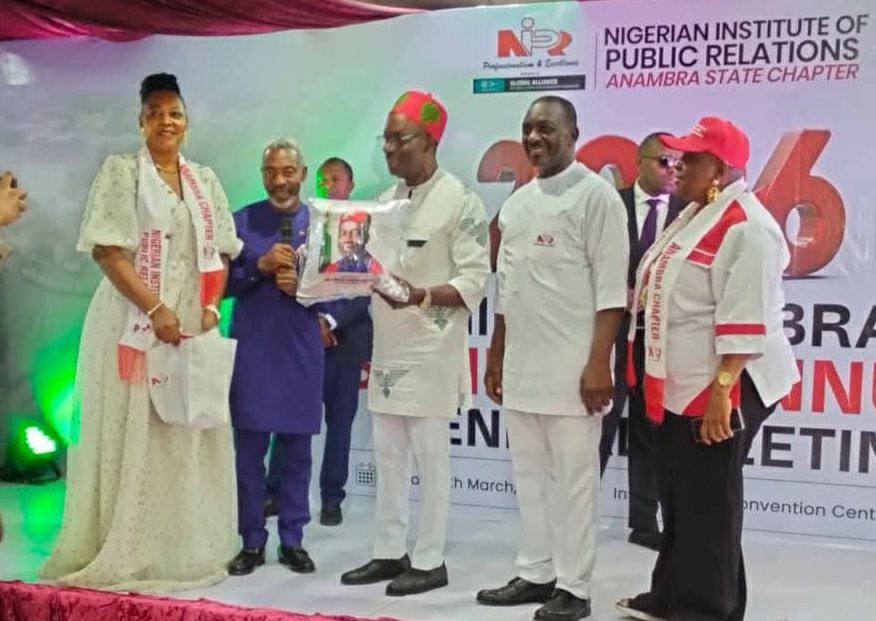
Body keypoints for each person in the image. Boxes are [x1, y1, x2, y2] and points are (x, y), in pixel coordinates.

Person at [40, 73, 241, 591]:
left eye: (174, 113)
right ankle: (129, 546)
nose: (166, 122)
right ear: (141, 120)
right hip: (133, 321)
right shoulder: (123, 172)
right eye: (155, 113)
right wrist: (154, 308)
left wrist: (210, 306)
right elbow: (108, 251)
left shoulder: (204, 180)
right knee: (137, 431)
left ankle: (181, 545)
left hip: (189, 320)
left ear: (187, 120)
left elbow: (220, 252)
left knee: (183, 430)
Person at [615, 117, 798, 621]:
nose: (677, 167)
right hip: (688, 380)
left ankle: (708, 609)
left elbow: (745, 319)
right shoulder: (699, 212)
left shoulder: (748, 227)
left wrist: (723, 393)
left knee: (710, 501)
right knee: (680, 494)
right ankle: (671, 596)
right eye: (675, 158)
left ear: (718, 168)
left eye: (689, 159)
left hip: (727, 384)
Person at [476, 96, 628, 621]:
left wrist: (598, 363)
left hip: (574, 371)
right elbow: (506, 291)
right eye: (527, 129)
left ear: (573, 135)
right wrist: (496, 356)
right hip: (522, 367)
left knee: (575, 484)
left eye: (546, 128)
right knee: (530, 479)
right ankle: (536, 571)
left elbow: (612, 295)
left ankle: (574, 586)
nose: (534, 138)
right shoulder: (517, 205)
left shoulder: (597, 198)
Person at [341, 90, 489, 596]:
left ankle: (430, 559)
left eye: (398, 139)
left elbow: (474, 280)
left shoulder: (461, 200)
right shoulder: (384, 203)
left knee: (431, 459)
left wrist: (421, 295)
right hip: (387, 347)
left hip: (432, 349)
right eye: (385, 139)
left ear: (429, 141)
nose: (388, 149)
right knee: (387, 456)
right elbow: (366, 268)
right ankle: (389, 551)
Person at [225, 139, 321, 576]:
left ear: (303, 174)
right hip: (253, 352)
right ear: (263, 175)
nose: (280, 181)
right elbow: (219, 285)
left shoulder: (325, 225)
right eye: (271, 172)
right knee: (248, 454)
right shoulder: (240, 221)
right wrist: (257, 268)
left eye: (288, 172)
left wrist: (305, 290)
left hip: (301, 351)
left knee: (297, 453)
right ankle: (250, 542)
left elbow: (349, 288)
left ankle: (293, 540)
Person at [265, 156, 373, 526]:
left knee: (339, 426)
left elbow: (363, 289)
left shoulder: (367, 228)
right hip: (305, 340)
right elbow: (294, 281)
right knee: (291, 419)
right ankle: (274, 491)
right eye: (324, 180)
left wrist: (330, 320)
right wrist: (313, 321)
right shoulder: (305, 226)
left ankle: (332, 499)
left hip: (347, 341)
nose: (329, 185)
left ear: (350, 185)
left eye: (336, 179)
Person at [598, 133, 685, 551]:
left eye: (678, 163)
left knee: (652, 429)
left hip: (660, 339)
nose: (672, 171)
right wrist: (619, 292)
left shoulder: (688, 212)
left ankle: (645, 522)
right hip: (611, 334)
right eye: (664, 161)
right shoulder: (610, 205)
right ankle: (575, 515)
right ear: (639, 161)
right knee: (599, 425)